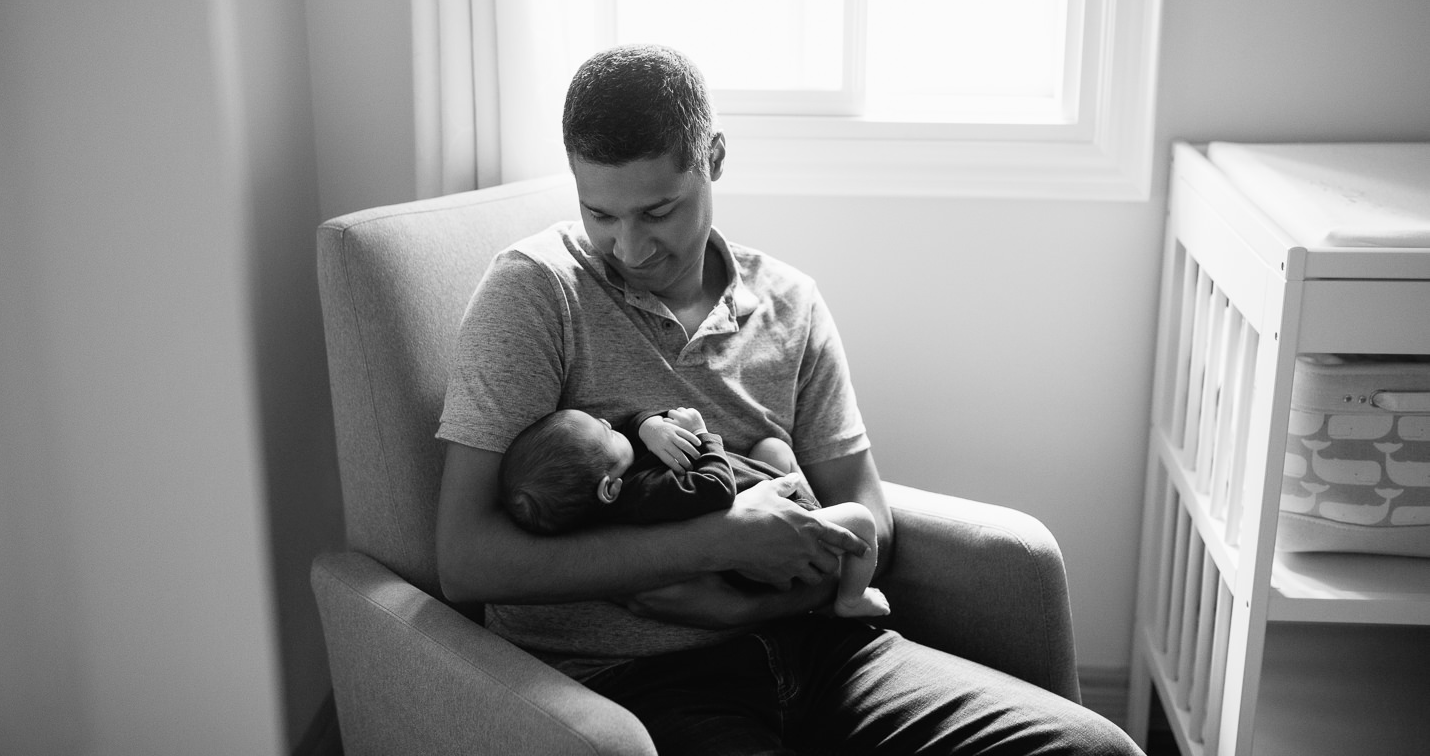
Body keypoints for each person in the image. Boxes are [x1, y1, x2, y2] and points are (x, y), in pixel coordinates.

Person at [436, 44, 1142, 754]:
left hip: (831, 656)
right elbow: (466, 559)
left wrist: (753, 601)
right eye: (600, 215)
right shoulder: (535, 292)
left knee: (1093, 750)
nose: (630, 248)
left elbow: (870, 513)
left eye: (658, 211)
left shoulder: (790, 304)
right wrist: (716, 542)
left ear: (712, 157)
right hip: (635, 684)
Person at [498, 404, 890, 619]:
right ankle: (850, 597)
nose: (608, 422)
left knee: (773, 448)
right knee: (860, 518)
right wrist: (705, 436)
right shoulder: (648, 494)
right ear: (609, 487)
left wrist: (648, 425)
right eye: (607, 433)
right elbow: (716, 488)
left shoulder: (617, 483)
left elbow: (625, 423)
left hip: (763, 495)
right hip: (769, 527)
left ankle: (810, 513)